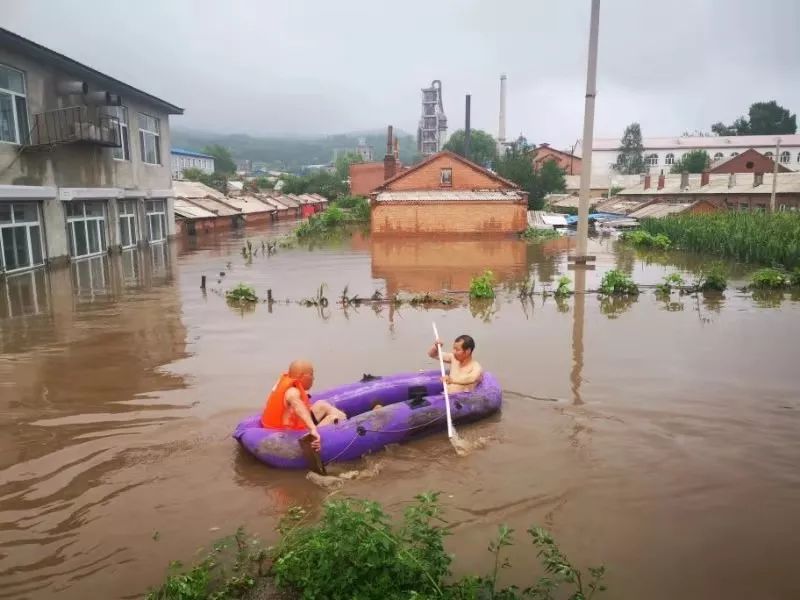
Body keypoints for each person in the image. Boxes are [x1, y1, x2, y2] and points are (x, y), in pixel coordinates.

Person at [260, 360, 347, 451]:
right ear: (302, 376)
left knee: (321, 405)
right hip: (286, 436)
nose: (313, 378)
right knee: (333, 418)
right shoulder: (292, 391)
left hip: (288, 425)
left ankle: (346, 421)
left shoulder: (286, 382)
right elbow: (297, 404)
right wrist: (312, 428)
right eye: (311, 374)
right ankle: (347, 433)